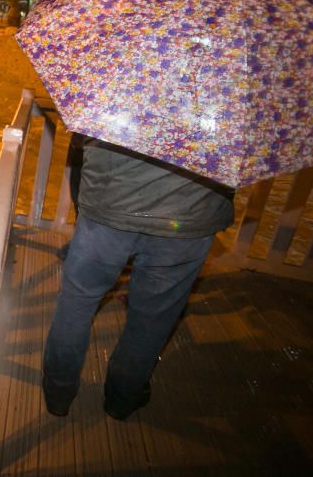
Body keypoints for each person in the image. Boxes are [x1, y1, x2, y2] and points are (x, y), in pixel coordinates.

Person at [42, 136, 234, 420]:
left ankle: (58, 395)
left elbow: (82, 138)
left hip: (109, 204)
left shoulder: (126, 90)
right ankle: (122, 399)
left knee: (77, 301)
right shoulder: (239, 97)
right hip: (190, 217)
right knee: (153, 318)